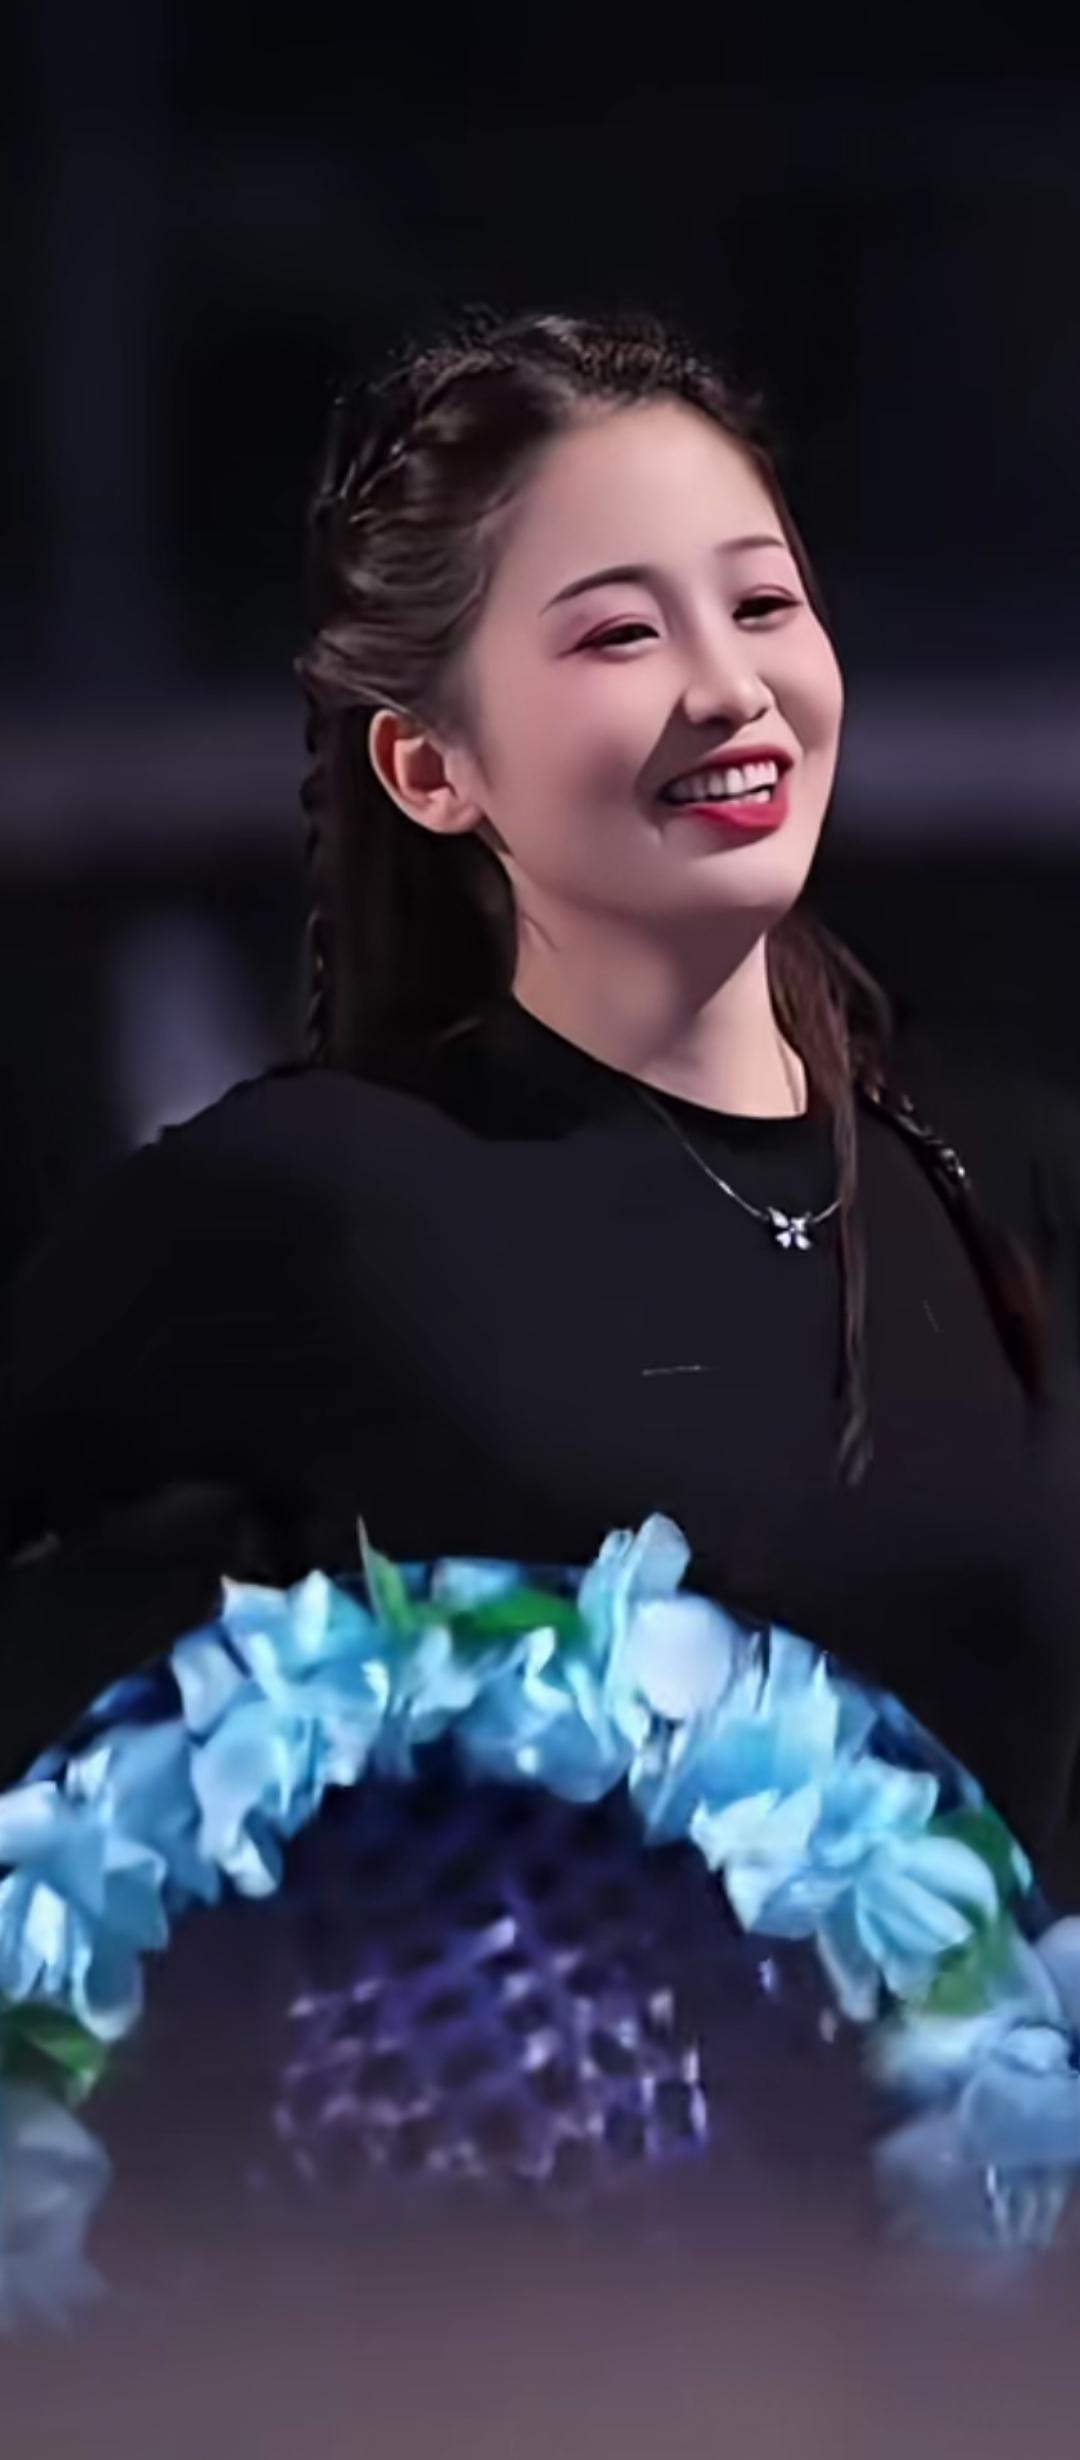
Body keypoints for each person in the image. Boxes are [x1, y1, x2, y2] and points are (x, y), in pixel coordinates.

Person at [2, 299, 1080, 1896]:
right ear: (431, 769)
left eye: (762, 604)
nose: (730, 688)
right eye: (620, 634)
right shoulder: (315, 1203)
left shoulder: (1007, 1177)